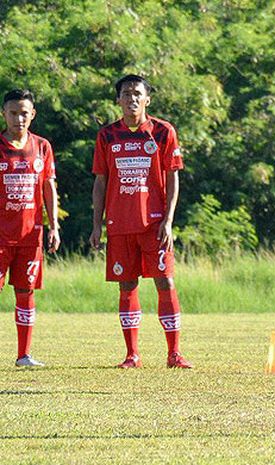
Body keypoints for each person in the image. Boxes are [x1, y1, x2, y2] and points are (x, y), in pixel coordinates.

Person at [90, 75, 192, 369]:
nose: (132, 98)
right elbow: (100, 181)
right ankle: (132, 355)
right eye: (126, 94)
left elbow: (173, 176)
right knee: (127, 285)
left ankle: (174, 353)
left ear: (148, 99)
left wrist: (169, 220)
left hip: (154, 224)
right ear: (118, 100)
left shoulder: (162, 132)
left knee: (165, 280)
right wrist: (97, 224)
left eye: (137, 93)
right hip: (120, 225)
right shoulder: (107, 135)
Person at [0, 89, 60, 367]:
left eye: (24, 113)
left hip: (30, 235)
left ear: (32, 114)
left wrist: (54, 225)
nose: (19, 118)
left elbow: (48, 187)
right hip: (1, 236)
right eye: (13, 113)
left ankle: (23, 355)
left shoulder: (42, 146)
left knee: (25, 291)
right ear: (4, 113)